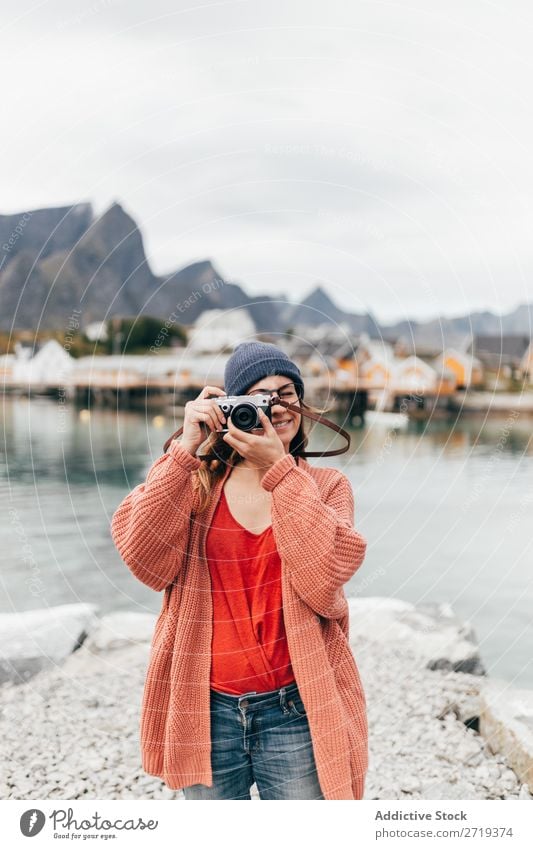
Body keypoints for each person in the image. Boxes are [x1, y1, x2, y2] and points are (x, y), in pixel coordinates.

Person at [111, 341, 368, 800]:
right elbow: (143, 560)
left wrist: (281, 471)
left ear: (302, 404)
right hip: (203, 709)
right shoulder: (195, 482)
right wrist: (185, 451)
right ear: (228, 409)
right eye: (257, 397)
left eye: (286, 393)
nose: (274, 407)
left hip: (296, 708)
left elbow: (323, 579)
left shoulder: (326, 487)